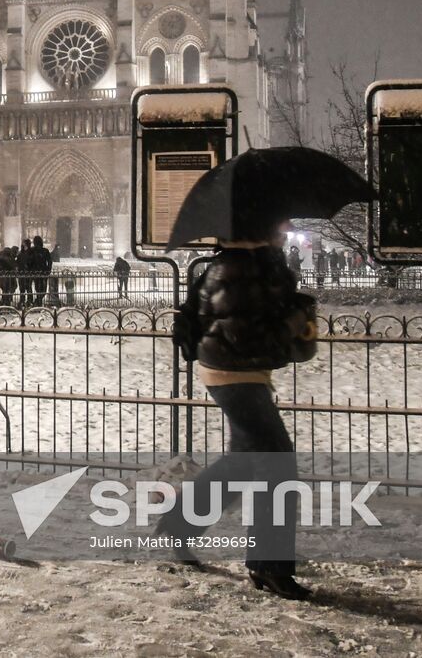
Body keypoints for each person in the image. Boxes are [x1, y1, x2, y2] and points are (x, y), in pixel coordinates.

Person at [160, 219, 317, 600]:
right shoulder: (237, 270)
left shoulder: (251, 266)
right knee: (277, 466)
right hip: (235, 375)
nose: (284, 234)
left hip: (238, 374)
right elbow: (245, 336)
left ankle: (180, 526)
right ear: (257, 233)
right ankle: (269, 565)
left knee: (244, 463)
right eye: (279, 228)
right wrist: (296, 318)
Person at [16, 239, 35, 307]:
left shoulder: (30, 253)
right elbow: (18, 262)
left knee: (27, 287)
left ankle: (28, 300)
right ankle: (23, 300)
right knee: (22, 288)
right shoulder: (22, 253)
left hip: (27, 272)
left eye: (24, 244)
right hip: (22, 272)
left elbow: (31, 263)